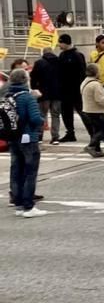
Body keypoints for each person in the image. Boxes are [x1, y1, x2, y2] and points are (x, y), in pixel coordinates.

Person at [7, 68, 46, 218]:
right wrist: (41, 122)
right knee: (30, 172)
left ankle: (18, 204)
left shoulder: (8, 95)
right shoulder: (27, 97)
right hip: (28, 137)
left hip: (13, 137)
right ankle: (29, 206)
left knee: (16, 170)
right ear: (25, 80)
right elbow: (36, 118)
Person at [31, 45, 63, 145]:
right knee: (55, 115)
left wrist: (34, 89)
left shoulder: (39, 63)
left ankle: (40, 136)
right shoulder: (59, 62)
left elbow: (33, 78)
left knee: (42, 115)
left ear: (43, 53)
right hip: (57, 93)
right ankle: (55, 137)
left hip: (43, 94)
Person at [57, 34, 86, 142]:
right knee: (66, 112)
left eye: (60, 42)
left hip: (76, 90)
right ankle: (70, 133)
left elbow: (82, 73)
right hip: (65, 91)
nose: (59, 44)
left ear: (65, 43)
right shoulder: (62, 55)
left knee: (82, 111)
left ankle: (93, 132)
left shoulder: (77, 55)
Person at [80, 63, 104, 158]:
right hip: (96, 111)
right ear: (96, 72)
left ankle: (97, 149)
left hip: (87, 110)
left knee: (96, 130)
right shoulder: (96, 84)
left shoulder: (85, 82)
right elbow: (100, 99)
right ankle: (91, 146)